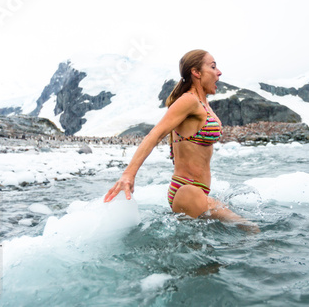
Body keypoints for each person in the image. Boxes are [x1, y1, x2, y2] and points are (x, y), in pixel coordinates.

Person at [104, 49, 258, 232]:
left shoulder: (203, 104)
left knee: (203, 256)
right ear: (196, 72)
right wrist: (129, 174)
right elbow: (155, 134)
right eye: (213, 67)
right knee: (250, 229)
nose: (219, 72)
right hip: (187, 191)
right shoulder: (189, 101)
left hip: (196, 191)